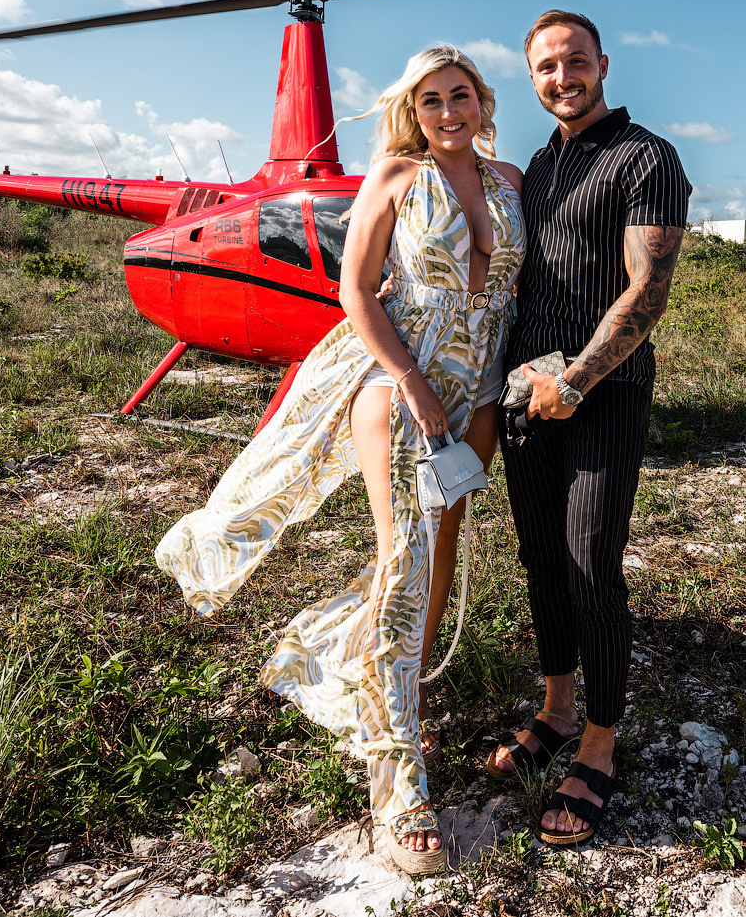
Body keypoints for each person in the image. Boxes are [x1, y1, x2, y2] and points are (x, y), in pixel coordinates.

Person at [155, 45, 524, 875]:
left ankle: (401, 690)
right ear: (413, 110)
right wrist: (412, 382)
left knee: (443, 548)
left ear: (481, 99)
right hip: (403, 382)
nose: (448, 111)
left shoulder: (511, 183)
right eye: (430, 100)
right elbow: (357, 290)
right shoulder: (394, 177)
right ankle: (396, 773)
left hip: (484, 389)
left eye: (459, 95)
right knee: (405, 556)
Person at [485, 10, 690, 847]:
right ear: (531, 79)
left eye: (574, 61)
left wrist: (576, 380)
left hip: (600, 392)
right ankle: (557, 708)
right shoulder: (536, 166)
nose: (561, 77)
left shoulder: (648, 157)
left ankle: (600, 744)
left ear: (603, 63)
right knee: (541, 557)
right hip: (526, 393)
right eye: (544, 67)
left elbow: (646, 290)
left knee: (590, 561)